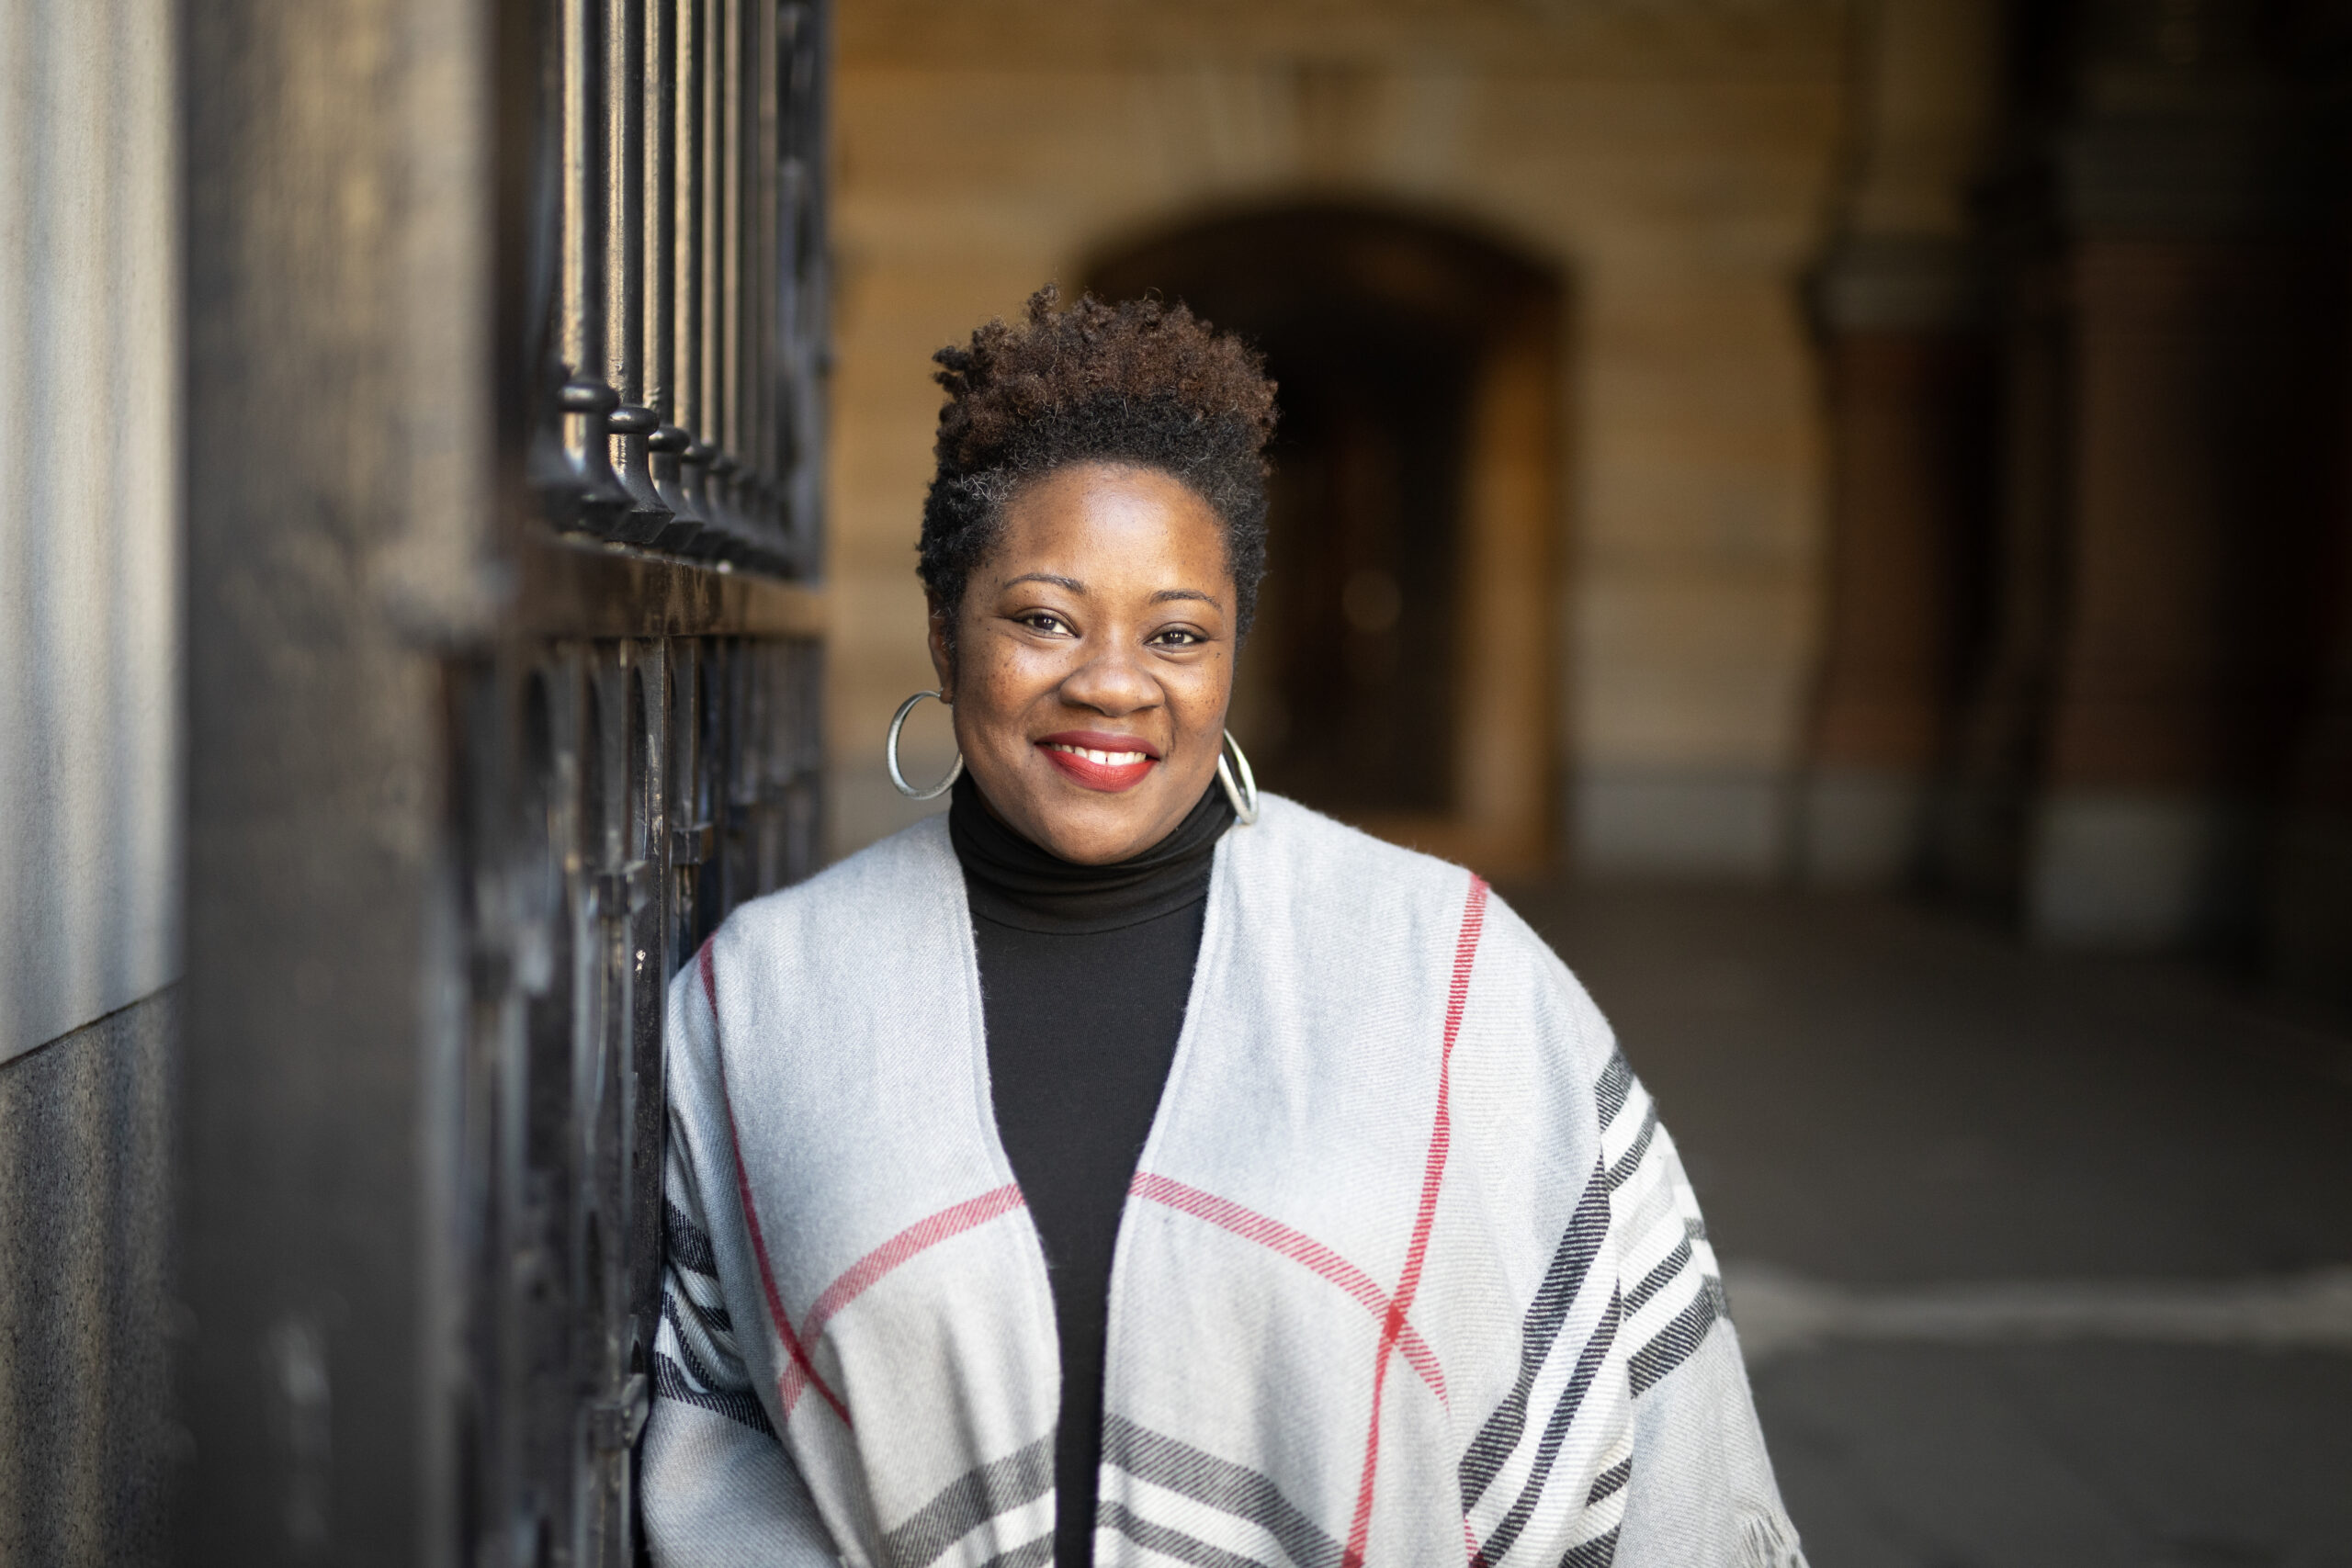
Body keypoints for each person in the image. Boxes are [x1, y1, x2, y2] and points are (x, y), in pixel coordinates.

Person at [640, 288, 1805, 1568]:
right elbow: (716, 1437)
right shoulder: (770, 999)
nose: (1114, 681)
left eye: (1178, 633)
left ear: (1231, 650)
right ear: (942, 628)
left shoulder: (1446, 969)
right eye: (1043, 618)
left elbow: (1648, 1420)